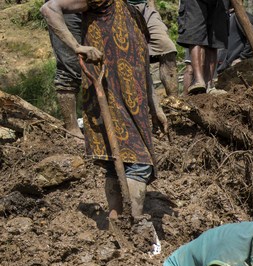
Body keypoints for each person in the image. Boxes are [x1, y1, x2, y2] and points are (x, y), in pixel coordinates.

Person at [41, 0, 168, 251]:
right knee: (138, 164)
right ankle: (131, 224)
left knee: (115, 165)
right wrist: (77, 46)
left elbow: (142, 65)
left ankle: (114, 222)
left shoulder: (133, 13)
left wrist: (156, 107)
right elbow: (49, 8)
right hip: (110, 98)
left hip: (135, 105)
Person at [127, 0, 178, 97]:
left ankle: (175, 101)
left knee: (167, 47)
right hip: (120, 9)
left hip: (146, 9)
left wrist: (153, 9)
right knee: (132, 53)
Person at [46, 11, 83, 138]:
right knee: (69, 69)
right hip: (65, 9)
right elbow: (48, 8)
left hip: (99, 8)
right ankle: (72, 129)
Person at [178, 0, 229, 93]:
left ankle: (209, 84)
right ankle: (199, 80)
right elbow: (194, 38)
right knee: (196, 35)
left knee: (215, 40)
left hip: (219, 2)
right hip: (195, 2)